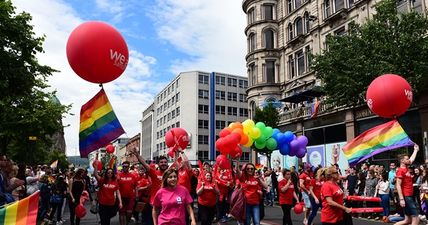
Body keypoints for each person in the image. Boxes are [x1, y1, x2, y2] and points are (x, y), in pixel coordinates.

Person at [131, 148, 169, 225]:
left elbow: (177, 164)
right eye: (161, 162)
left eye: (165, 162)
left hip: (166, 203)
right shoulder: (154, 172)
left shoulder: (170, 174)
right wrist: (137, 155)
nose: (163, 163)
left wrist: (178, 152)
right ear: (158, 164)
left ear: (167, 163)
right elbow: (144, 163)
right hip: (154, 204)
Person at [395, 144, 420, 225]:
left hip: (409, 195)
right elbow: (398, 185)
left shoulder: (405, 168)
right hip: (406, 196)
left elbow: (412, 159)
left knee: (407, 220)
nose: (408, 159)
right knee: (416, 217)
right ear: (402, 161)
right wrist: (401, 199)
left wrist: (415, 150)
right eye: (406, 159)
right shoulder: (400, 170)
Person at [117, 161, 138, 225]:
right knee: (121, 213)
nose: (125, 168)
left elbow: (136, 187)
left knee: (129, 213)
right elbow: (115, 187)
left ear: (129, 167)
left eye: (126, 166)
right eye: (124, 166)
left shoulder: (132, 176)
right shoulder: (119, 175)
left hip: (131, 197)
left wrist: (136, 195)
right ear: (122, 167)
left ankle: (126, 223)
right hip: (121, 197)